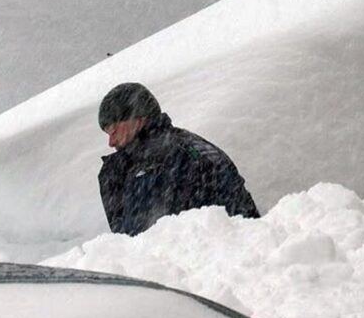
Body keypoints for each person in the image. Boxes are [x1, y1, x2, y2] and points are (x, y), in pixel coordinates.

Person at [96, 83, 260, 236]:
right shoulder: (122, 168)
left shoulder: (187, 157)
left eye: (113, 130)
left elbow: (233, 229)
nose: (111, 142)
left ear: (138, 119)